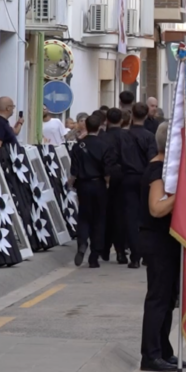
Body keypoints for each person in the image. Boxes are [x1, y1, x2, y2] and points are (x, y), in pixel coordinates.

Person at [138, 122, 186, 372]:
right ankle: (150, 355)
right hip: (157, 241)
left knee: (169, 298)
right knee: (158, 299)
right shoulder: (157, 170)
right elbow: (156, 208)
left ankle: (164, 350)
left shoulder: (166, 170)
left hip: (168, 240)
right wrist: (182, 193)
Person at [70, 112, 115, 268]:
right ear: (100, 127)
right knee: (99, 219)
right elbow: (107, 170)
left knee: (84, 216)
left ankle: (82, 242)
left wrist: (70, 184)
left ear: (86, 127)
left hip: (83, 184)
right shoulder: (105, 145)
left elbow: (74, 171)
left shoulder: (78, 146)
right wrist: (107, 184)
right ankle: (94, 256)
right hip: (99, 184)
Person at [120, 103, 158, 269]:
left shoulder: (124, 136)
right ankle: (146, 254)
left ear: (132, 115)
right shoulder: (149, 136)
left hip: (127, 177)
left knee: (130, 217)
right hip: (144, 178)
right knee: (145, 217)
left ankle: (134, 255)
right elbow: (152, 159)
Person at [102, 109, 128, 263]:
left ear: (107, 120)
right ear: (121, 120)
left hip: (106, 177)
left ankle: (105, 250)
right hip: (123, 177)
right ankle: (120, 251)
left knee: (106, 214)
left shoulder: (103, 137)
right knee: (120, 215)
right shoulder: (126, 136)